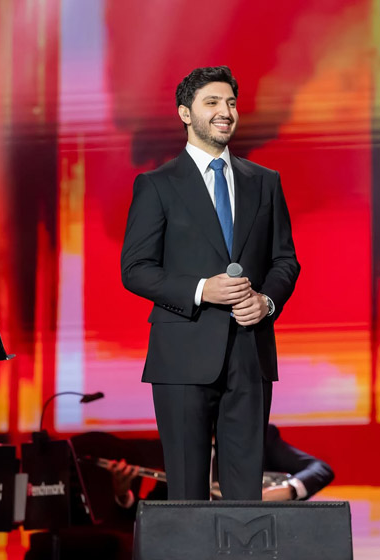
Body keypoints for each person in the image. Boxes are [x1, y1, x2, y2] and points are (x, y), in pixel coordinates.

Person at [121, 66, 300, 500]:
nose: (226, 111)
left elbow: (285, 261)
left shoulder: (265, 181)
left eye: (232, 103)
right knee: (187, 496)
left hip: (250, 354)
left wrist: (266, 302)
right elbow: (136, 268)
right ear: (185, 113)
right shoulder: (157, 185)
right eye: (213, 102)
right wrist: (202, 289)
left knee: (245, 499)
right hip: (182, 356)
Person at [109, 424, 334, 507]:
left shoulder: (259, 437)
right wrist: (123, 494)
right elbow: (156, 511)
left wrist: (286, 491)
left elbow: (320, 469)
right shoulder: (180, 449)